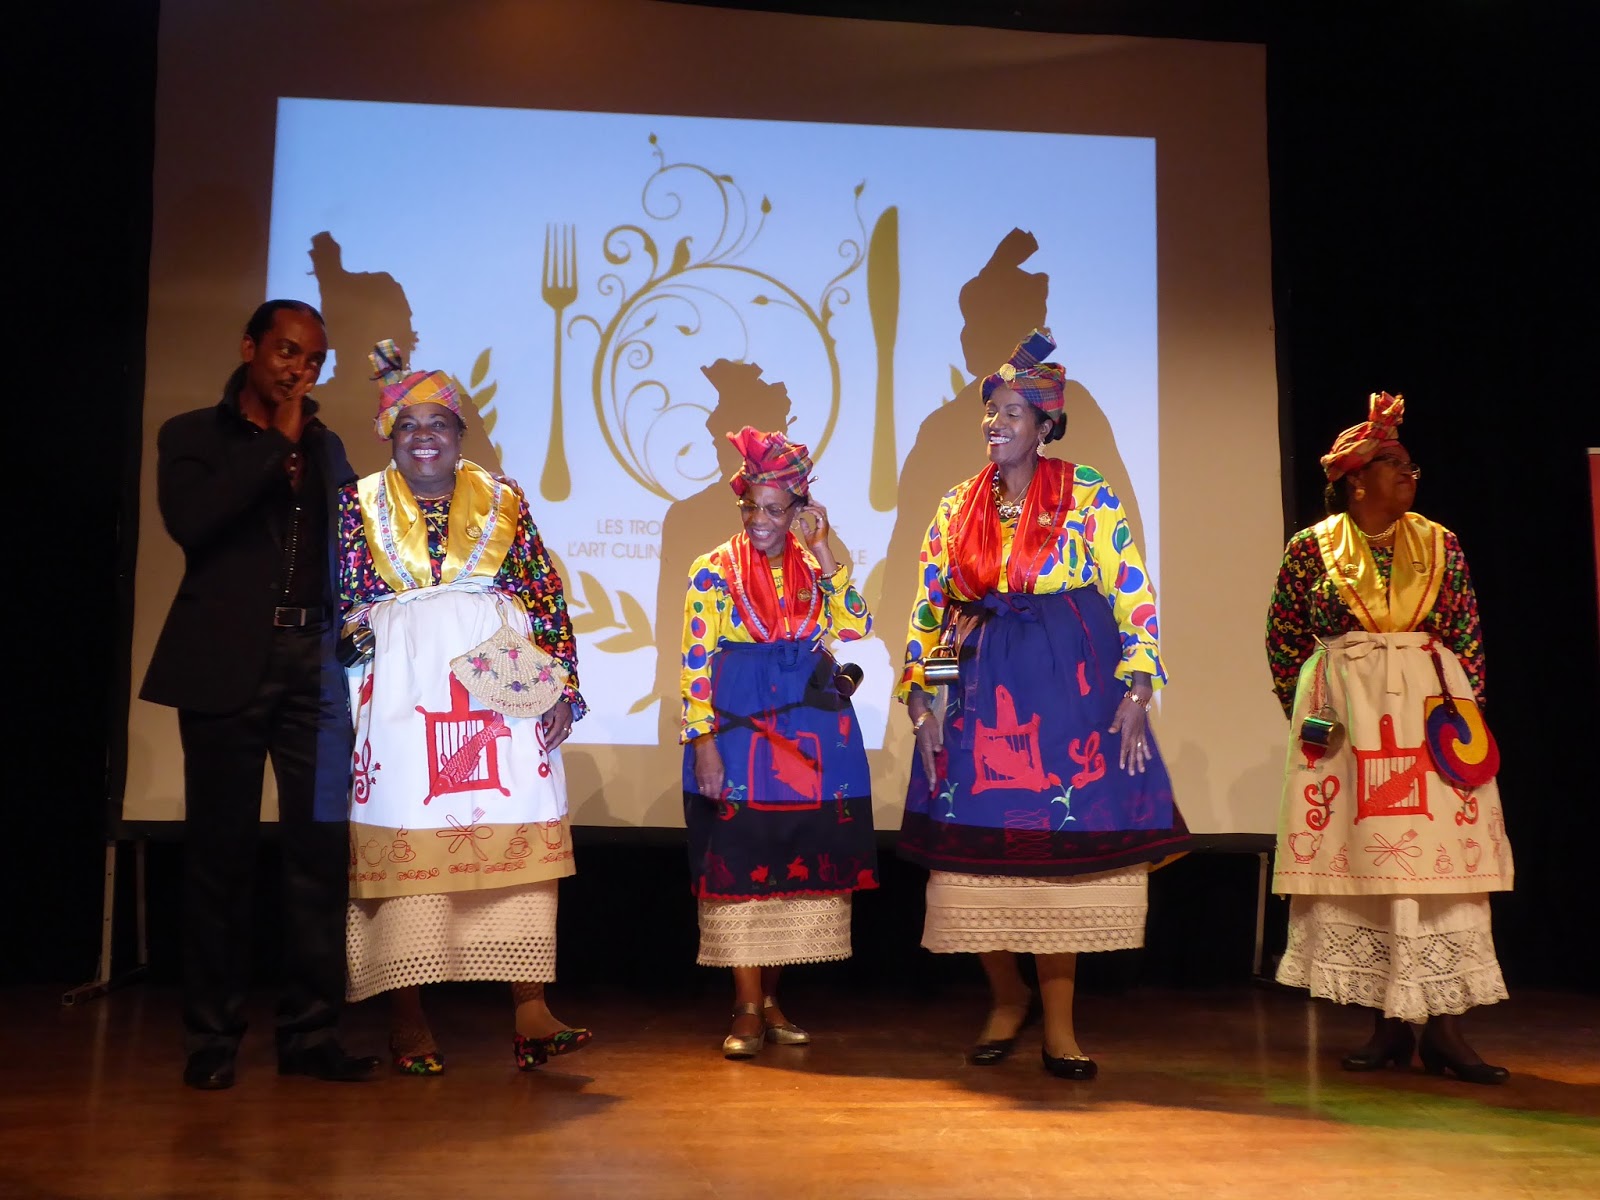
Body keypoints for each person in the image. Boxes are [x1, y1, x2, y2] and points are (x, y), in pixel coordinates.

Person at [896, 329, 1187, 1080]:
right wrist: (922, 698)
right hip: (977, 689)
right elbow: (936, 606)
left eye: (1013, 413)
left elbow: (1132, 590)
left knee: (1054, 863)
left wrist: (1139, 681)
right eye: (991, 410)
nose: (996, 423)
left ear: (1046, 426)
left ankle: (1059, 1022)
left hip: (1065, 688)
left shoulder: (1086, 493)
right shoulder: (958, 502)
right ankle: (1006, 995)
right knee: (971, 862)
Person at [141, 300, 380, 1090]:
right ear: (249, 348)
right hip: (224, 669)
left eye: (313, 361)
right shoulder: (190, 436)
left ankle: (310, 1036)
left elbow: (353, 543)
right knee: (221, 861)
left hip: (313, 669)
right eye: (286, 352)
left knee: (317, 856)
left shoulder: (326, 445)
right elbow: (193, 522)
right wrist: (276, 439)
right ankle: (212, 1041)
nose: (298, 371)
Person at [337, 340, 592, 1074]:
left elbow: (543, 593)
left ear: (460, 435)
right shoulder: (357, 504)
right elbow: (345, 598)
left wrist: (563, 687)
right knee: (409, 844)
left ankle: (531, 1009)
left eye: (439, 423)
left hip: (500, 682)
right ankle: (408, 1017)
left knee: (513, 840)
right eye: (409, 423)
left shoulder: (504, 500)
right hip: (404, 689)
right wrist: (370, 662)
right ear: (391, 436)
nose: (424, 435)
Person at [1266, 391, 1513, 1084]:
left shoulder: (1441, 543)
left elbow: (1466, 634)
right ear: (1356, 479)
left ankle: (1446, 1029)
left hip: (1430, 720)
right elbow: (1284, 638)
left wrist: (1467, 721)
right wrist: (1311, 713)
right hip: (1349, 725)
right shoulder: (1311, 550)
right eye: (1396, 464)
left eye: (1410, 464)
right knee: (1367, 863)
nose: (1412, 474)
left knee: (1439, 866)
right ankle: (1384, 1024)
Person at [680, 426, 878, 1058]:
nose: (760, 520)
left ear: (799, 510)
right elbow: (693, 662)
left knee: (789, 861)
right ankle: (743, 1005)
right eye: (751, 507)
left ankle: (771, 1002)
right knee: (739, 859)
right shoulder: (712, 569)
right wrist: (702, 741)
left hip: (808, 727)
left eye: (774, 509)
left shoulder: (811, 567)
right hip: (738, 726)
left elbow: (855, 625)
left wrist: (825, 554)